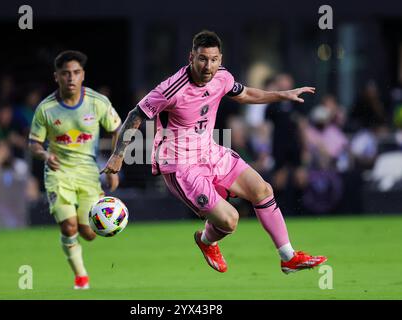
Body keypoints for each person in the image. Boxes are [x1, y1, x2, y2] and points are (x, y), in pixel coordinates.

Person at [103, 30, 326, 274]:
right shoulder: (170, 89)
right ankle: (206, 241)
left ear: (220, 59)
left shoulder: (222, 77)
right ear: (191, 57)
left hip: (210, 153)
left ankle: (288, 257)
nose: (208, 66)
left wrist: (282, 95)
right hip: (180, 166)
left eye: (214, 59)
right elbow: (135, 116)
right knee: (230, 220)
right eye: (202, 59)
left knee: (262, 190)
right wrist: (117, 155)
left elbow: (247, 94)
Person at [29, 50, 122, 289]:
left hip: (89, 173)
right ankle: (81, 277)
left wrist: (114, 164)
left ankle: (85, 236)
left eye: (76, 73)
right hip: (58, 173)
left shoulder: (97, 102)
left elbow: (118, 129)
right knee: (69, 226)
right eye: (65, 73)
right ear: (56, 77)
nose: (71, 78)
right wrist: (45, 154)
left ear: (83, 75)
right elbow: (34, 143)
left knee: (89, 233)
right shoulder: (46, 109)